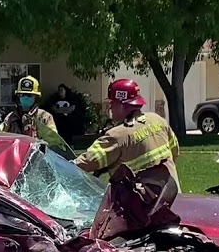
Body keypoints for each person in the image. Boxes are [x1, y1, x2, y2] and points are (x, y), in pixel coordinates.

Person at [74, 78, 180, 212]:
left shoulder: (116, 136)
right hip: (175, 202)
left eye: (112, 103)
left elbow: (85, 162)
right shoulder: (159, 121)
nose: (110, 108)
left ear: (122, 104)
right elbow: (175, 152)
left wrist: (61, 166)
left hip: (143, 215)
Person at [0, 75, 74, 158]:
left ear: (36, 98)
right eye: (22, 95)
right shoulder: (11, 118)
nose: (25, 97)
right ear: (18, 97)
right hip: (15, 160)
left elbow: (54, 143)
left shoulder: (44, 117)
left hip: (38, 161)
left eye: (29, 95)